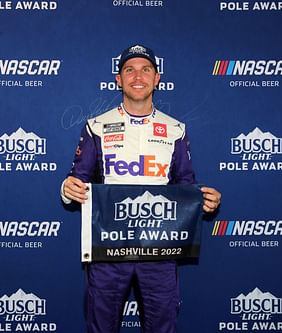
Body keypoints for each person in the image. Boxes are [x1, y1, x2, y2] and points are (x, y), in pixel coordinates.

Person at [60, 44, 221, 333]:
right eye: (129, 69)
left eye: (146, 69)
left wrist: (203, 202)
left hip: (159, 247)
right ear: (118, 79)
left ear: (157, 78)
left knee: (162, 326)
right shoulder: (96, 126)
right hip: (107, 246)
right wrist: (67, 188)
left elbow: (185, 185)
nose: (138, 76)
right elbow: (77, 179)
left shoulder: (176, 129)